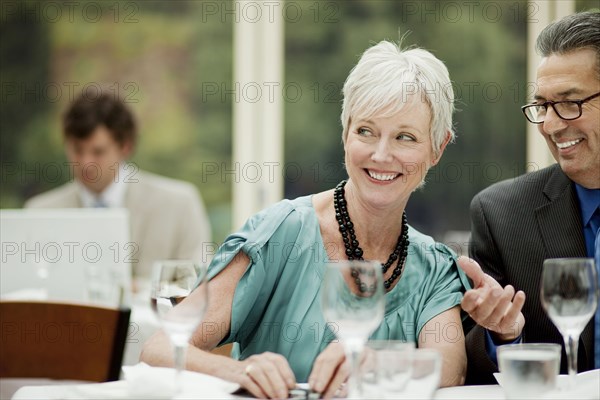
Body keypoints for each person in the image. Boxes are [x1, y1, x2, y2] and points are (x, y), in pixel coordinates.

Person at [141, 40, 471, 398]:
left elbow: (449, 370)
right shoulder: (281, 233)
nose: (381, 154)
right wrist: (237, 370)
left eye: (405, 137)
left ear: (437, 148)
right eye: (366, 131)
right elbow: (159, 349)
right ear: (345, 133)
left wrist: (374, 362)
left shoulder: (435, 266)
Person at [460, 11, 599, 384]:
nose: (551, 126)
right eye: (543, 106)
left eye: (570, 103)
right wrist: (503, 333)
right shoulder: (501, 215)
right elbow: (476, 370)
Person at [25, 90, 212, 281]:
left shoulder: (179, 205)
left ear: (126, 147)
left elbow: (198, 284)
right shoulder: (40, 213)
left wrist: (135, 290)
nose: (85, 162)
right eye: (77, 150)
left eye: (98, 151)